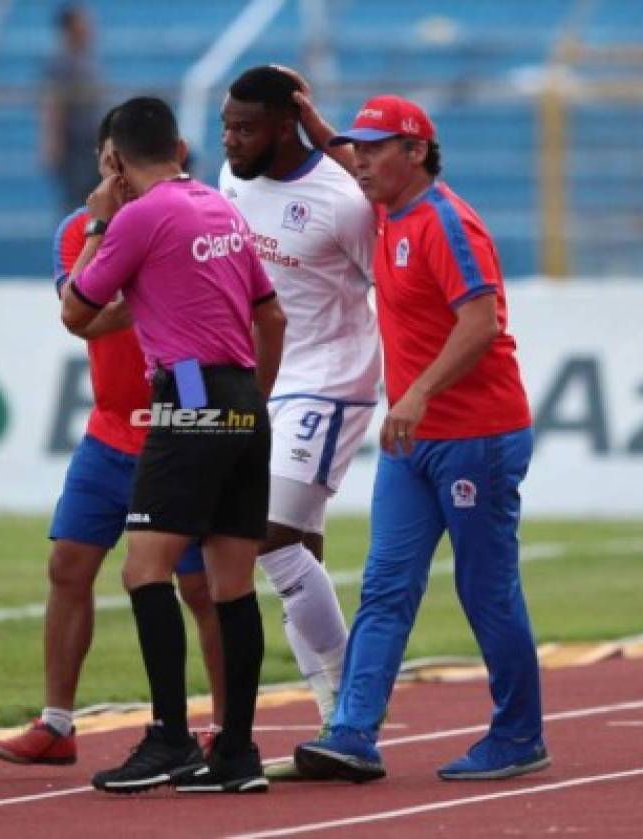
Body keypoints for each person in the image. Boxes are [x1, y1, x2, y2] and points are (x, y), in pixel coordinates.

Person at [288, 93, 548, 782]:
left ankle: (519, 733)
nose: (361, 159)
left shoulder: (446, 223)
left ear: (417, 152)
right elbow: (344, 159)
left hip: (476, 435)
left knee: (484, 589)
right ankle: (351, 732)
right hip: (417, 438)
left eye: (377, 147)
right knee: (385, 584)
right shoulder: (385, 207)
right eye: (359, 147)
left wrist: (419, 391)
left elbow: (481, 320)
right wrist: (313, 124)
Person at [61, 97, 286, 794]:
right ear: (181, 148)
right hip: (244, 397)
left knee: (143, 571)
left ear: (113, 160)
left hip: (187, 398)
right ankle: (238, 752)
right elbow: (270, 313)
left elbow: (76, 312)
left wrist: (99, 218)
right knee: (231, 585)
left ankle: (169, 738)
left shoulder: (136, 216)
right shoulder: (220, 209)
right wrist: (251, 398)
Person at [0, 110, 226, 767]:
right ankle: (58, 724)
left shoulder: (188, 217)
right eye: (107, 162)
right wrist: (103, 238)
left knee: (201, 586)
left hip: (180, 415)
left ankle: (224, 728)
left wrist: (115, 299)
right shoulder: (78, 229)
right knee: (68, 564)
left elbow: (101, 311)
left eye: (119, 161)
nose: (114, 173)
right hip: (111, 425)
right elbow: (81, 316)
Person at [218, 66, 380, 776]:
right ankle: (333, 726)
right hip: (266, 380)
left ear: (286, 125)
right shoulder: (233, 184)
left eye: (245, 127)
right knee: (297, 552)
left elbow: (395, 287)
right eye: (226, 125)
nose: (231, 139)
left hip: (329, 380)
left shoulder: (343, 200)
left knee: (268, 537)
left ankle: (355, 707)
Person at [40, 3, 104, 212]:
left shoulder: (88, 61)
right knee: (78, 206)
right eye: (83, 22)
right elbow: (52, 104)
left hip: (95, 149)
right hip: (75, 151)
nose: (89, 27)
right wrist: (52, 143)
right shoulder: (61, 64)